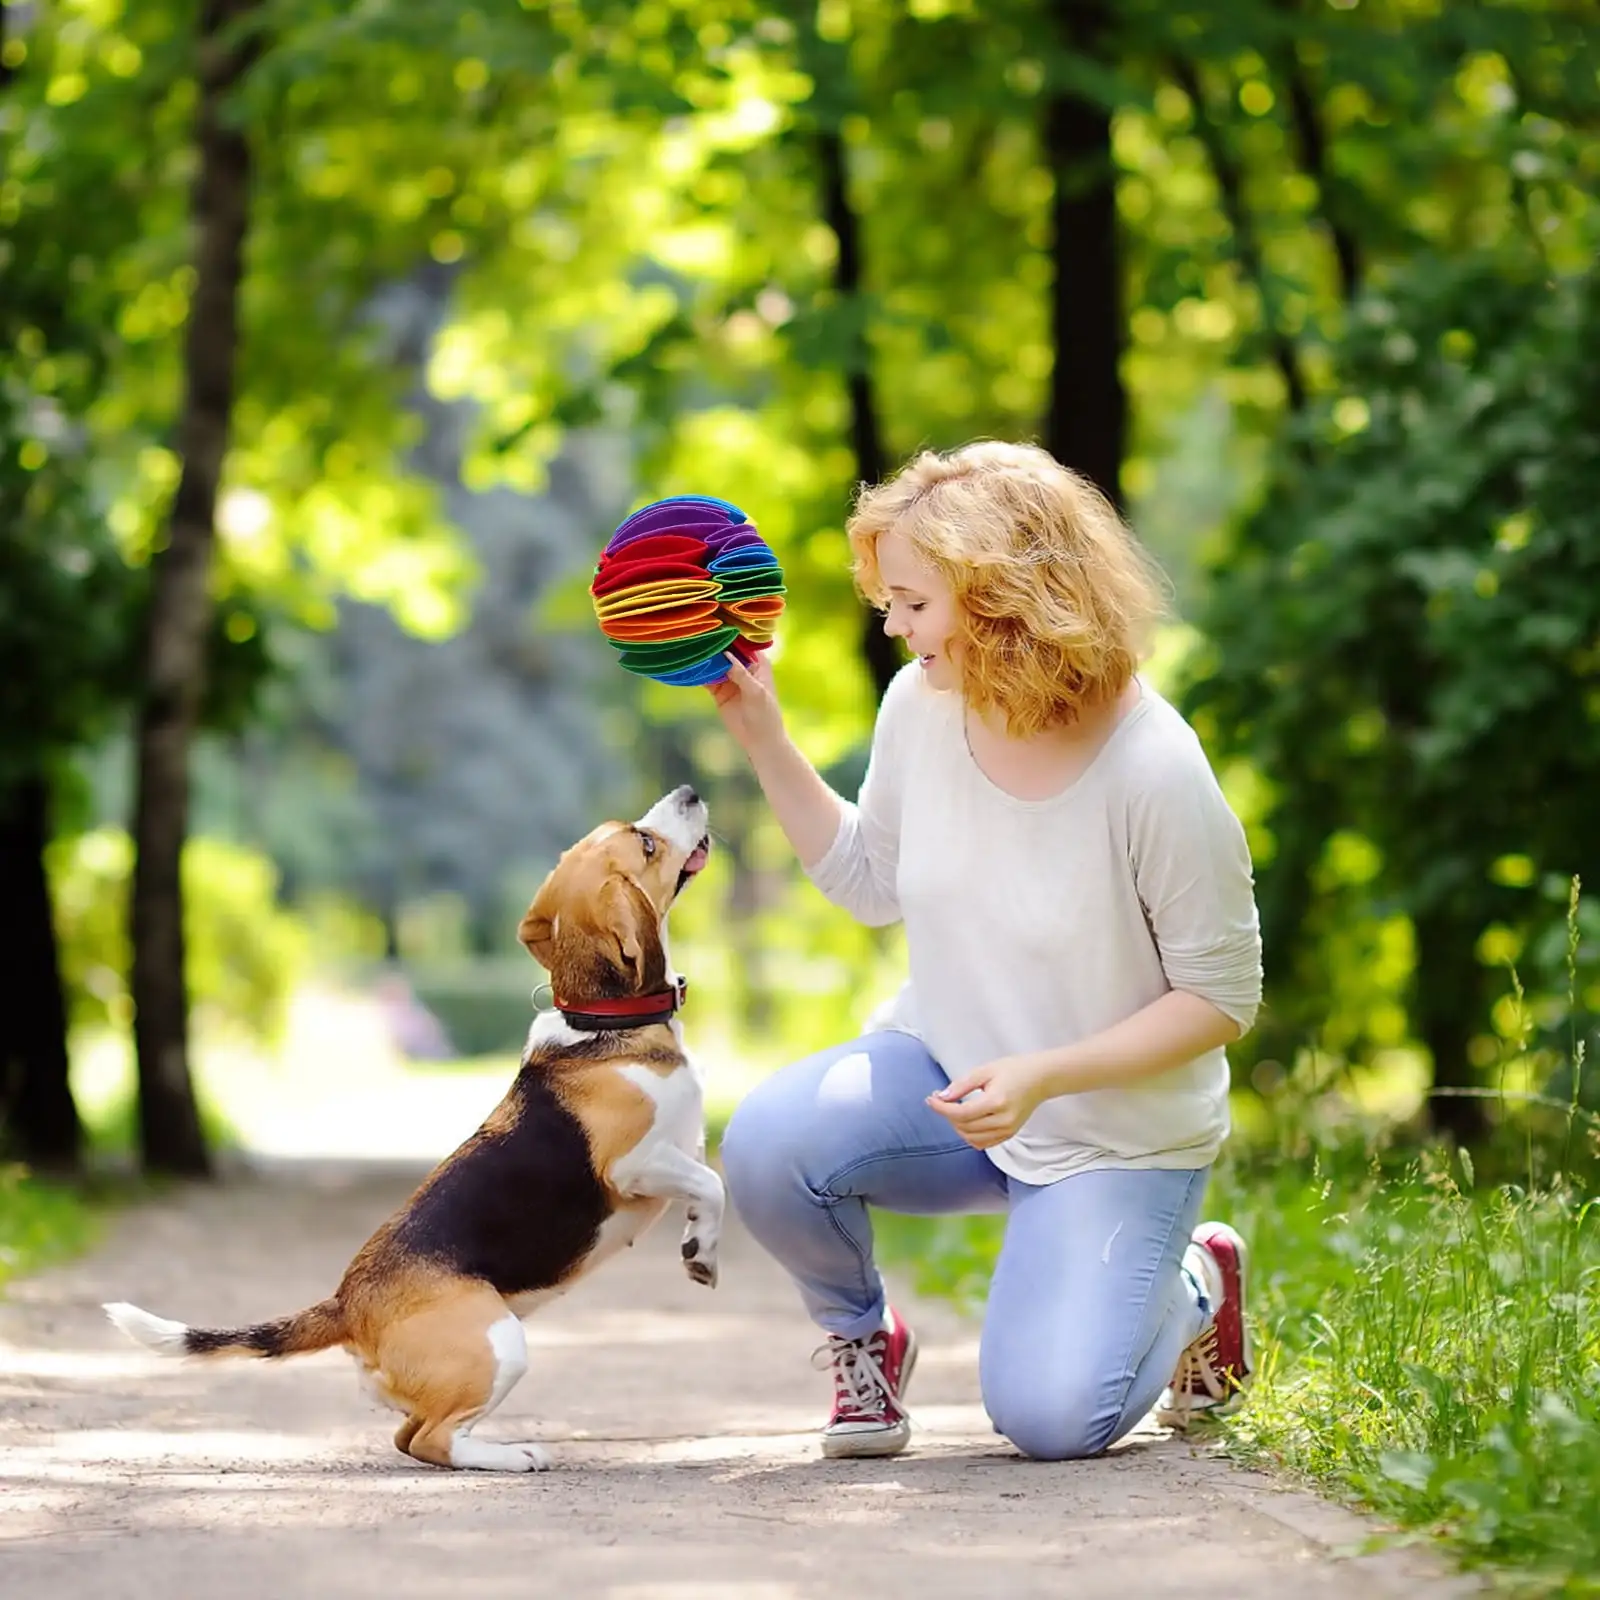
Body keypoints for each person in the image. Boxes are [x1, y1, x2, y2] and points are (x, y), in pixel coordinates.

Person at [708, 440, 1262, 1461]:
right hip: (949, 1077)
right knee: (768, 1144)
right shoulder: (921, 705)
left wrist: (1047, 1075)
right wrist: (763, 739)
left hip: (1111, 1129)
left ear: (1002, 596)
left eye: (912, 601)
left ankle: (1195, 1283)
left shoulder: (1155, 768)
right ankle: (862, 1342)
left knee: (1052, 1420)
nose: (891, 624)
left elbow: (1221, 998)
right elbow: (870, 881)